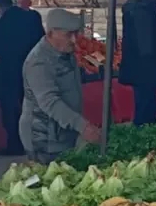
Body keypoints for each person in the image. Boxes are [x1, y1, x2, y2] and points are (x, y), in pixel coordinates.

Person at [20, 10, 101, 162]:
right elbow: (50, 102)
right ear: (51, 33)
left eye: (76, 34)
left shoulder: (66, 53)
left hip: (63, 133)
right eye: (68, 35)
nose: (74, 40)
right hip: (44, 138)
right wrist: (82, 126)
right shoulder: (38, 62)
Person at [0, 0, 45, 154]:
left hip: (9, 72)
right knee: (31, 106)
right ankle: (36, 139)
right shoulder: (33, 17)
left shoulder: (2, 23)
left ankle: (15, 144)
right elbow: (42, 41)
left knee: (10, 108)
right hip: (32, 69)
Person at [119, 0, 156, 125]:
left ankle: (146, 134)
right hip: (145, 70)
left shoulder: (138, 9)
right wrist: (155, 69)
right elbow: (146, 45)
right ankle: (144, 137)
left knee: (145, 104)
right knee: (145, 107)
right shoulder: (142, 12)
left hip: (140, 69)